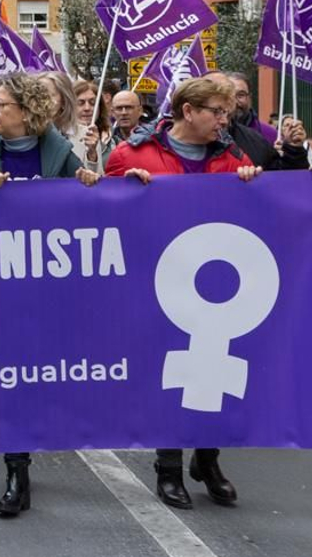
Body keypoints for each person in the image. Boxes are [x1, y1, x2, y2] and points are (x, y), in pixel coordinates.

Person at [107, 77, 263, 510]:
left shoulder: (232, 158)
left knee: (214, 374)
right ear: (188, 110)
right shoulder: (131, 155)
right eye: (215, 111)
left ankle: (208, 458)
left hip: (213, 289)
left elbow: (255, 214)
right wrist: (124, 192)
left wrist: (255, 184)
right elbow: (104, 218)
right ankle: (169, 466)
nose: (223, 120)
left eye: (227, 113)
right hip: (154, 284)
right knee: (168, 378)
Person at [0, 71, 99, 516]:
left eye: (2, 105)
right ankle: (16, 469)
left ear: (27, 111)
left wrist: (88, 183)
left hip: (45, 286)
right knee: (9, 372)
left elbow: (78, 208)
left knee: (35, 371)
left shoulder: (57, 152)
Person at [204, 71, 311, 171]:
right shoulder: (191, 143)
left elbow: (283, 179)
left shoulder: (257, 140)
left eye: (240, 95)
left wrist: (294, 150)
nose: (234, 102)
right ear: (189, 111)